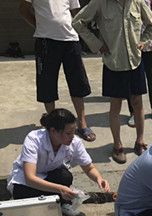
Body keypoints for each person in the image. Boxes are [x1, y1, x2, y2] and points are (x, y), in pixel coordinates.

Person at [73, 0, 152, 164]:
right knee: (116, 105)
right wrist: (96, 44)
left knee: (137, 102)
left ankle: (140, 141)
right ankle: (117, 145)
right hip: (113, 63)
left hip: (134, 61)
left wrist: (144, 41)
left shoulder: (137, 2)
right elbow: (78, 22)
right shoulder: (100, 3)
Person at [7, 109, 110, 216]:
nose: (72, 137)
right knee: (22, 196)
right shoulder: (34, 139)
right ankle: (55, 200)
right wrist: (60, 189)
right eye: (68, 133)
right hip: (25, 181)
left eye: (74, 132)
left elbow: (89, 168)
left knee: (65, 177)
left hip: (50, 176)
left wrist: (98, 178)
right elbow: (30, 178)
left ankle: (60, 202)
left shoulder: (75, 142)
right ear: (53, 131)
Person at [19, 0, 95, 142]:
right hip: (45, 40)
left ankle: (82, 123)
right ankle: (53, 124)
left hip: (70, 39)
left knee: (78, 81)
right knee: (46, 83)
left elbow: (75, 13)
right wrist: (40, 26)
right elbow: (23, 10)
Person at [127, 0, 152, 128]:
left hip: (148, 44)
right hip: (131, 45)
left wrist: (148, 36)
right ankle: (133, 112)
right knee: (131, 80)